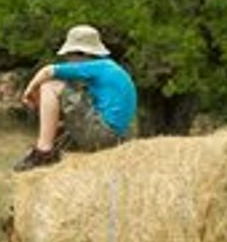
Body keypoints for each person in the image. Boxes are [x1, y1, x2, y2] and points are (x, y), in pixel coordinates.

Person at [12, 24, 136, 172]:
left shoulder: (96, 67)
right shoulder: (110, 69)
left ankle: (44, 151)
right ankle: (53, 147)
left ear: (79, 53)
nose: (67, 60)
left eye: (68, 55)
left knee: (50, 86)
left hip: (103, 135)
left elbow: (47, 71)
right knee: (68, 96)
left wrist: (29, 91)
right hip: (120, 138)